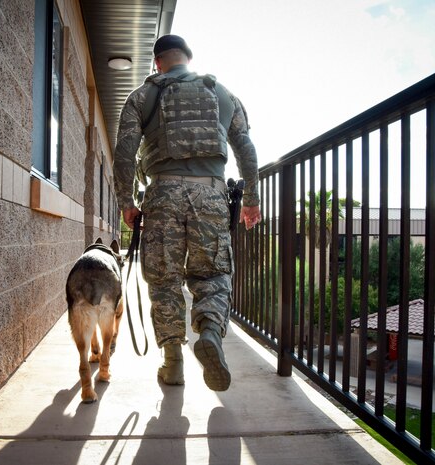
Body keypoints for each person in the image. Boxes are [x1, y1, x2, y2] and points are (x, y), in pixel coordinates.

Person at [113, 34, 261, 391]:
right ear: (188, 59)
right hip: (210, 194)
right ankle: (209, 330)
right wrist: (252, 199)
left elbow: (124, 153)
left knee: (164, 280)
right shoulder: (223, 95)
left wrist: (126, 202)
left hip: (163, 193)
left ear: (158, 62)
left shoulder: (143, 95)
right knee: (212, 273)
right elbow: (246, 149)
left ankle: (173, 362)